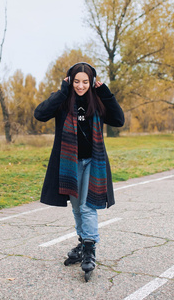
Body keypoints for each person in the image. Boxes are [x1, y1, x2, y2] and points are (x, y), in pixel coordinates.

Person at [34, 62, 124, 281]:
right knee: (76, 207)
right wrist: (62, 92)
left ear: (92, 82)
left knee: (86, 206)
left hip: (93, 161)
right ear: (70, 81)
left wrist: (106, 93)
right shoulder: (64, 101)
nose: (81, 86)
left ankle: (90, 249)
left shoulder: (99, 101)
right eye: (76, 81)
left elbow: (119, 120)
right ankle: (83, 243)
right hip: (70, 162)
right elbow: (40, 114)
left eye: (85, 81)